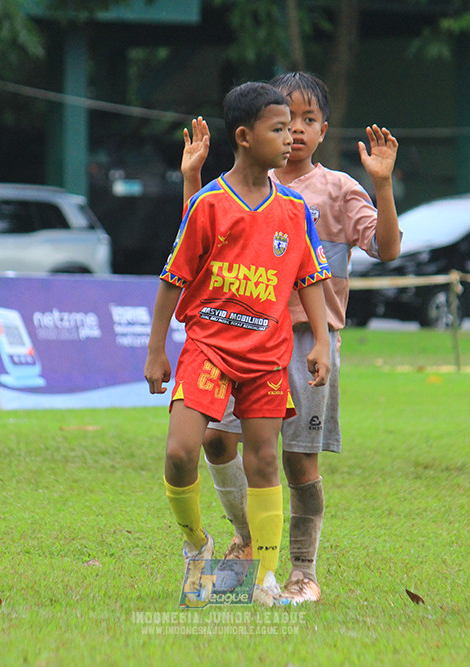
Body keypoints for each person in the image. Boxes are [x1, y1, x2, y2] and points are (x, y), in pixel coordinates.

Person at [181, 71, 401, 604]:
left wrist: (383, 184)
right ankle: (249, 538)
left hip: (307, 345)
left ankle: (303, 570)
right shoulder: (249, 181)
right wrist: (191, 179)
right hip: (242, 336)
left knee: (298, 458)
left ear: (324, 129)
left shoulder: (338, 190)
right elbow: (193, 242)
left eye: (307, 120)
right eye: (286, 120)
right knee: (215, 439)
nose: (296, 131)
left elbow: (388, 249)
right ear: (259, 127)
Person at [145, 81, 332, 607]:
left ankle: (266, 578)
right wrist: (157, 349)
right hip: (208, 347)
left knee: (264, 464)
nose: (292, 136)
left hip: (268, 355)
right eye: (279, 128)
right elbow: (172, 278)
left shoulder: (294, 209)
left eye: (296, 127)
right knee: (181, 451)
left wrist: (321, 341)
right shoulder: (208, 204)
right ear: (246, 137)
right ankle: (197, 546)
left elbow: (310, 277)